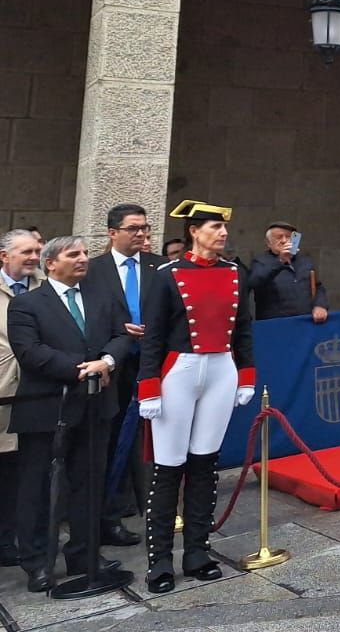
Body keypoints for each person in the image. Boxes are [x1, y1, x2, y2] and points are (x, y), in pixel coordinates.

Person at [138, 201, 255, 593]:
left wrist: (246, 375)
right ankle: (158, 561)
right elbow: (152, 336)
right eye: (213, 227)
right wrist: (149, 386)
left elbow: (244, 330)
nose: (222, 233)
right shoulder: (167, 274)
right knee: (168, 467)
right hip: (180, 371)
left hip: (222, 368)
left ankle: (197, 552)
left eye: (223, 227)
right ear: (194, 231)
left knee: (206, 464)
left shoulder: (236, 273)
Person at [10, 235, 136, 592]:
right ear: (51, 263)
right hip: (47, 408)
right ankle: (37, 561)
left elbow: (122, 336)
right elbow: (30, 352)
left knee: (89, 482)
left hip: (96, 408)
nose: (83, 259)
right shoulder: (27, 304)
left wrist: (107, 360)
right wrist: (83, 368)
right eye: (73, 254)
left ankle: (84, 552)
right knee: (38, 488)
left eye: (84, 253)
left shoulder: (102, 297)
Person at [85, 203, 163, 548]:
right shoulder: (93, 269)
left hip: (150, 364)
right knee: (110, 442)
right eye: (133, 228)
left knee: (146, 443)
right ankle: (104, 516)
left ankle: (147, 506)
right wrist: (119, 331)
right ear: (112, 232)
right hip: (109, 366)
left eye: (145, 227)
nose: (141, 234)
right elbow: (85, 317)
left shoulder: (159, 266)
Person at [0, 229, 43, 569]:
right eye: (26, 251)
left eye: (37, 251)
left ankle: (21, 539)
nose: (33, 257)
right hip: (1, 391)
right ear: (5, 256)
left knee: (25, 471)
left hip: (34, 392)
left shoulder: (44, 288)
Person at [245, 221, 329, 323]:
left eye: (288, 237)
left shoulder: (305, 261)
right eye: (279, 237)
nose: (284, 241)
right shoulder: (260, 262)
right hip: (276, 325)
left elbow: (318, 287)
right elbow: (253, 283)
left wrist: (320, 305)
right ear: (268, 243)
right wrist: (280, 261)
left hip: (306, 322)